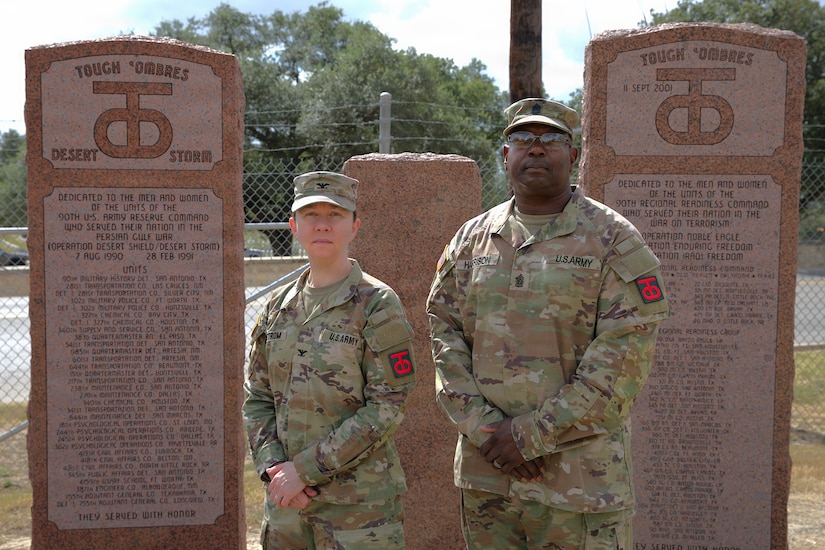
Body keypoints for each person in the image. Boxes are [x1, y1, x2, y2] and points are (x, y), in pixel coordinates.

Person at [426, 98, 670, 549]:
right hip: (489, 479)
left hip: (578, 484)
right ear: (504, 156)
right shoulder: (471, 238)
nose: (535, 149)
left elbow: (622, 359)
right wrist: (487, 430)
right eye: (522, 139)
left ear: (573, 156)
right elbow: (443, 334)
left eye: (551, 140)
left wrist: (528, 437)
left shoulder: (613, 239)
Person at [243, 171, 418, 549]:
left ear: (354, 226)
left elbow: (387, 406)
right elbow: (257, 398)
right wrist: (275, 469)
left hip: (358, 512)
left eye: (335, 215)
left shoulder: (376, 304)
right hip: (288, 508)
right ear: (294, 226)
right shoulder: (276, 308)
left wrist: (303, 471)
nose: (322, 224)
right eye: (311, 215)